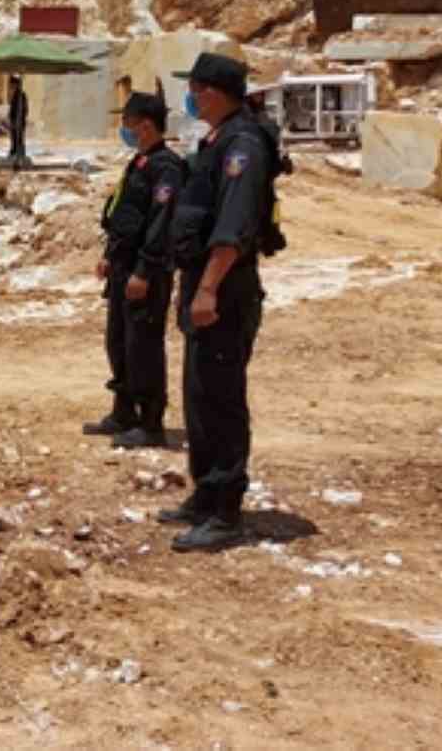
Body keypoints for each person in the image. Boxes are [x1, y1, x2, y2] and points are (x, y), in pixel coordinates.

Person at [161, 53, 274, 552]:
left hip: (223, 288)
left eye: (196, 90)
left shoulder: (242, 145)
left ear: (211, 92)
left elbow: (234, 225)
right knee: (199, 393)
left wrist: (207, 288)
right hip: (202, 282)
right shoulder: (218, 139)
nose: (191, 99)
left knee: (221, 398)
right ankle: (205, 493)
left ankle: (225, 508)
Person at [87, 92, 186, 449]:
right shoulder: (139, 163)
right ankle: (124, 411)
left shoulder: (167, 168)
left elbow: (160, 225)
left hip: (147, 270)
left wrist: (144, 271)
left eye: (127, 122)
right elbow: (125, 216)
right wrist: (109, 256)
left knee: (143, 345)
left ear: (145, 124)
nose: (124, 129)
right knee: (119, 341)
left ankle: (151, 422)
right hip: (123, 266)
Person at [7, 77, 30, 168]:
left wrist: (18, 120)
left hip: (18, 121)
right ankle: (15, 153)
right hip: (16, 121)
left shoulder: (20, 95)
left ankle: (19, 155)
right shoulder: (17, 95)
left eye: (12, 84)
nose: (10, 86)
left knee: (18, 138)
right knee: (15, 138)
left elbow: (24, 109)